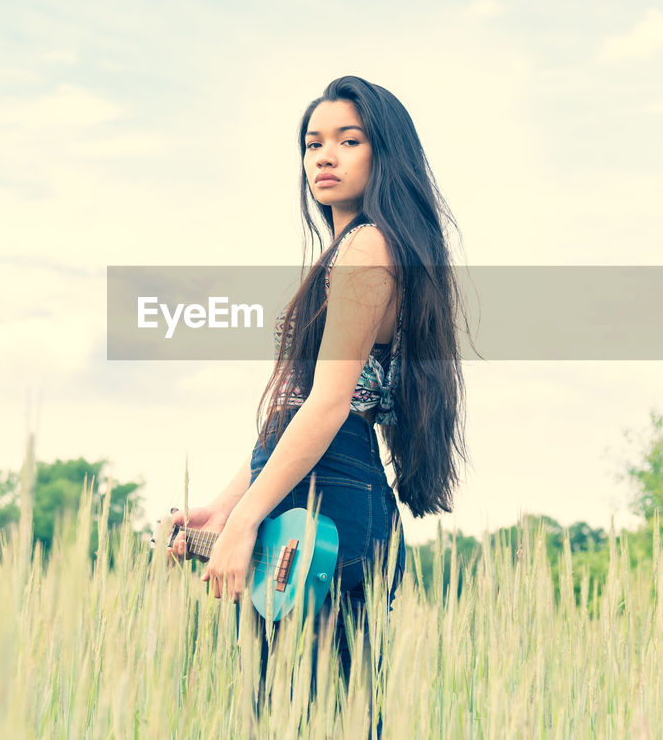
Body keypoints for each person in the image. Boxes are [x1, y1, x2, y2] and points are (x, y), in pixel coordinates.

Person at [168, 74, 469, 738]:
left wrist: (245, 523)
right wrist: (225, 507)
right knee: (317, 713)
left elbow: (330, 406)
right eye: (312, 143)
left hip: (328, 501)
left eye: (348, 140)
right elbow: (303, 414)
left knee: (291, 713)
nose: (324, 156)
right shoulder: (356, 249)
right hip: (325, 492)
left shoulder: (367, 245)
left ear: (384, 154)